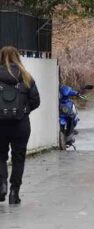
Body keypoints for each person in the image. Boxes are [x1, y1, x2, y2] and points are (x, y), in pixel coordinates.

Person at [0, 46, 40, 204]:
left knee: (0, 155)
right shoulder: (26, 76)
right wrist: (23, 111)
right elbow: (36, 101)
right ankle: (14, 193)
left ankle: (1, 185)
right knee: (18, 158)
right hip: (21, 124)